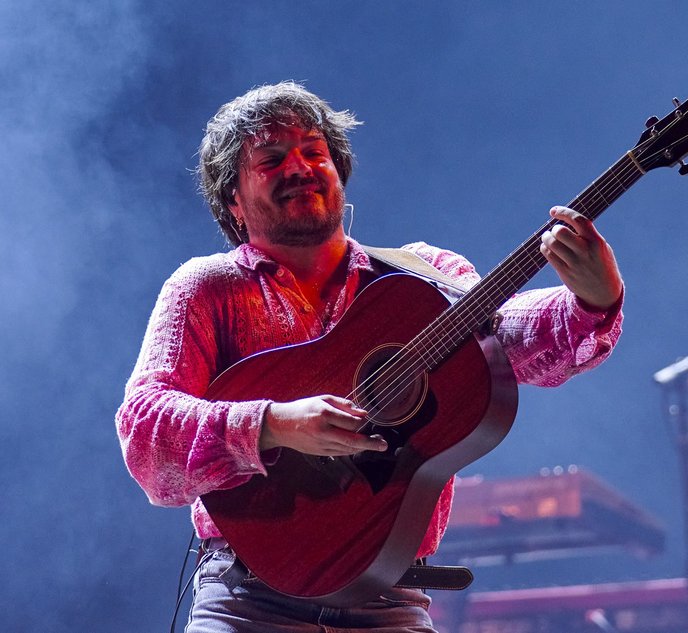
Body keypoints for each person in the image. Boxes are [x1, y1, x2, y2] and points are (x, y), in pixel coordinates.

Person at [116, 81, 624, 632]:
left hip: (393, 602)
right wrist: (274, 424)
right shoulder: (206, 289)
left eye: (315, 151)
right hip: (245, 604)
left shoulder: (423, 275)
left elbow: (512, 342)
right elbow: (146, 439)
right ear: (232, 199)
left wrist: (595, 298)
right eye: (271, 158)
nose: (301, 167)